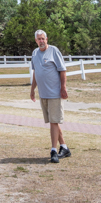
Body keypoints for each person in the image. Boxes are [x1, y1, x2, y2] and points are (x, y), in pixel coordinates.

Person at [30, 29, 71, 163]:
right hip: (43, 93)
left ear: (46, 39)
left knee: (54, 122)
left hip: (54, 93)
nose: (41, 41)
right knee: (53, 121)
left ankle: (54, 150)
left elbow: (62, 69)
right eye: (38, 39)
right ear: (35, 41)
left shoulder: (54, 51)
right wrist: (32, 89)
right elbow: (36, 72)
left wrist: (63, 88)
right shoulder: (35, 53)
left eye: (43, 38)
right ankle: (64, 147)